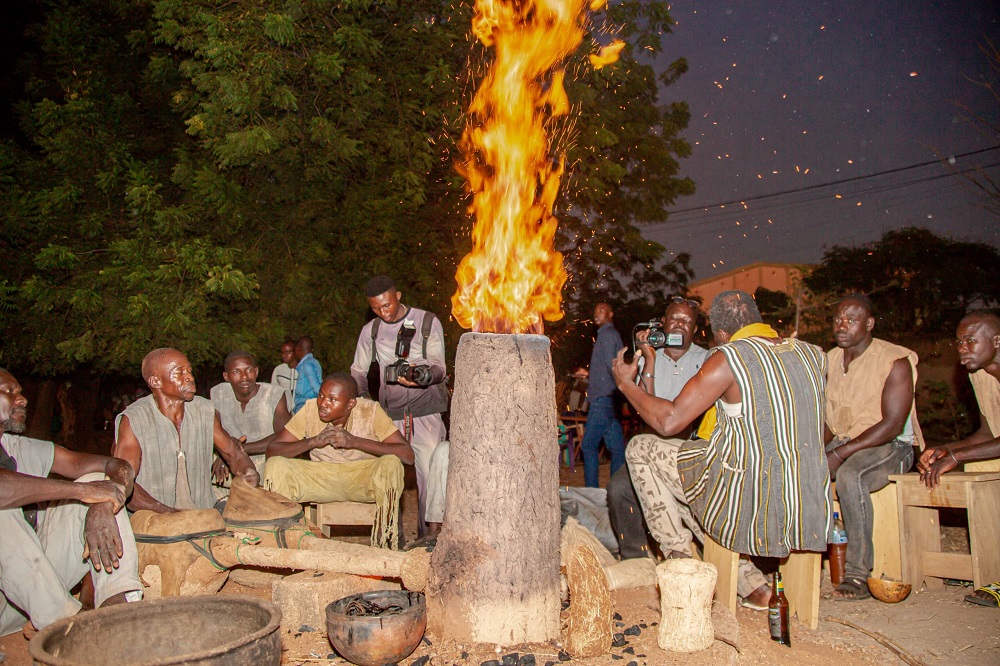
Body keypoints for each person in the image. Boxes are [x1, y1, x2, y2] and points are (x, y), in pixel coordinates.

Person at [613, 290, 831, 610]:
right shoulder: (815, 355)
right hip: (806, 498)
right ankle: (751, 583)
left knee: (642, 448)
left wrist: (625, 384)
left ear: (720, 332)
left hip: (752, 503)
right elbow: (822, 429)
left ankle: (680, 560)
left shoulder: (729, 356)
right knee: (696, 482)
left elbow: (669, 422)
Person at [0, 368, 142, 636]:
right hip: (17, 607)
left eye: (20, 391)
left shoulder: (22, 449)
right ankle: (73, 629)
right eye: (9, 391)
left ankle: (117, 606)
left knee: (95, 478)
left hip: (27, 601)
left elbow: (116, 465)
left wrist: (102, 502)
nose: (22, 399)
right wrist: (83, 492)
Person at [824, 294, 922, 601]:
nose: (842, 326)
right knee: (803, 469)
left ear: (869, 324)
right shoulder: (830, 359)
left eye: (851, 320)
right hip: (847, 441)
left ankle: (857, 571)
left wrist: (838, 453)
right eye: (838, 319)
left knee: (852, 476)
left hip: (890, 445)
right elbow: (830, 419)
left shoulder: (895, 360)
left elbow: (893, 424)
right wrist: (813, 452)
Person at [262, 373, 414, 549]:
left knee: (391, 464)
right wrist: (312, 442)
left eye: (332, 400)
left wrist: (354, 442)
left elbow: (407, 455)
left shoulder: (370, 411)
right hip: (320, 479)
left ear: (350, 404)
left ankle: (385, 542)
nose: (323, 404)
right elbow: (272, 450)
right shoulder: (310, 409)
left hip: (362, 479)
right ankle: (283, 541)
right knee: (276, 465)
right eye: (321, 395)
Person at [609, 296, 709, 559]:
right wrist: (650, 362)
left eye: (687, 321)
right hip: (651, 441)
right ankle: (636, 558)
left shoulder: (708, 360)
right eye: (674, 319)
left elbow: (677, 418)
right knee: (618, 490)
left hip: (688, 445)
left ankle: (692, 550)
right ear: (662, 324)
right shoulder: (648, 357)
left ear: (695, 329)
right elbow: (645, 411)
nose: (679, 325)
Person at [350, 275, 448, 540]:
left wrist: (424, 376)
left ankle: (430, 538)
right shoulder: (371, 330)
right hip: (388, 418)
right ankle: (392, 536)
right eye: (375, 308)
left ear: (399, 296)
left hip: (425, 414)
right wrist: (364, 397)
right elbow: (358, 370)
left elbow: (440, 366)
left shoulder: (428, 322)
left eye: (387, 305)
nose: (383, 312)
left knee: (430, 478)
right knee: (388, 477)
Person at [917, 310, 1000, 608]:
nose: (962, 348)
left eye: (970, 341)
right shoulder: (981, 375)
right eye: (959, 342)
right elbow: (989, 432)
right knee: (979, 470)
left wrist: (956, 455)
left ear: (997, 341)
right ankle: (991, 572)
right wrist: (945, 449)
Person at [112, 348, 259, 513]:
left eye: (189, 370)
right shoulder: (134, 420)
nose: (190, 377)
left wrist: (247, 470)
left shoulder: (204, 410)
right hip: (153, 516)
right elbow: (124, 483)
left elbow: (233, 453)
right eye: (179, 373)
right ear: (155, 382)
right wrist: (170, 514)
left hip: (204, 511)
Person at [210, 350, 291, 481]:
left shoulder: (274, 395)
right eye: (236, 372)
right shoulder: (219, 393)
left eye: (249, 370)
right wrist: (225, 453)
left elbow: (286, 436)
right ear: (226, 376)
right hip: (228, 461)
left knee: (277, 467)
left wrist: (236, 451)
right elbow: (214, 431)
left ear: (256, 371)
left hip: (266, 460)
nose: (244, 377)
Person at [580, 302, 626, 488]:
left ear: (610, 314)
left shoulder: (607, 335)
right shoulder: (607, 335)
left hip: (603, 399)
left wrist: (622, 386)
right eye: (595, 309)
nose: (596, 313)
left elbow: (611, 365)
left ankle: (592, 491)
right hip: (608, 398)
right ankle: (616, 490)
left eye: (601, 310)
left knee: (588, 446)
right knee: (617, 449)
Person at [292, 336, 322, 414]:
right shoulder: (314, 362)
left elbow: (316, 386)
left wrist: (323, 398)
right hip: (309, 404)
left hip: (305, 406)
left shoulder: (306, 364)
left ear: (298, 350)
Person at [271, 339, 299, 412]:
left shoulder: (304, 370)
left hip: (300, 409)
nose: (283, 355)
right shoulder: (278, 370)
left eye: (287, 352)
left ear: (296, 352)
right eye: (282, 353)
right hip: (284, 410)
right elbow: (273, 391)